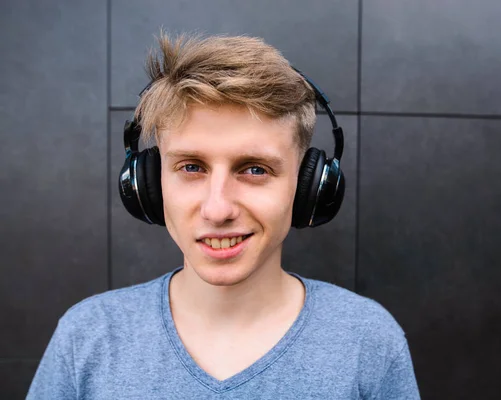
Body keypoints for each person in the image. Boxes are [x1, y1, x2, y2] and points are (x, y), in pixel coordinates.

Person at [27, 31, 420, 399]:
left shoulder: (368, 342)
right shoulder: (86, 337)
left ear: (307, 188)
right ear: (148, 183)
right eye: (191, 167)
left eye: (254, 170)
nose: (218, 210)